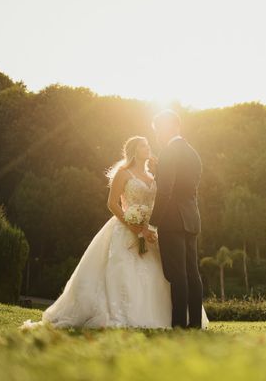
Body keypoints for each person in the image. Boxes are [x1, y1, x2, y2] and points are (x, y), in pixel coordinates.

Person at [21, 135, 208, 329]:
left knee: (159, 273)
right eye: (144, 146)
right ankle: (120, 313)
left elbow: (159, 200)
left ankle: (161, 317)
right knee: (123, 270)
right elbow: (111, 203)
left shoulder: (153, 176)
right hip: (127, 228)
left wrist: (148, 225)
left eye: (148, 146)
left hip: (148, 230)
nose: (148, 149)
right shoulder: (123, 173)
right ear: (134, 150)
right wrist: (132, 222)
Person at [149, 109, 204, 329]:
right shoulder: (193, 153)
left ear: (171, 127)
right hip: (191, 218)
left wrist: (153, 222)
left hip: (171, 220)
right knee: (192, 272)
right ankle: (196, 324)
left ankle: (179, 324)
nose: (157, 135)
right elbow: (190, 189)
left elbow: (165, 191)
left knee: (177, 274)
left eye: (158, 130)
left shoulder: (168, 152)